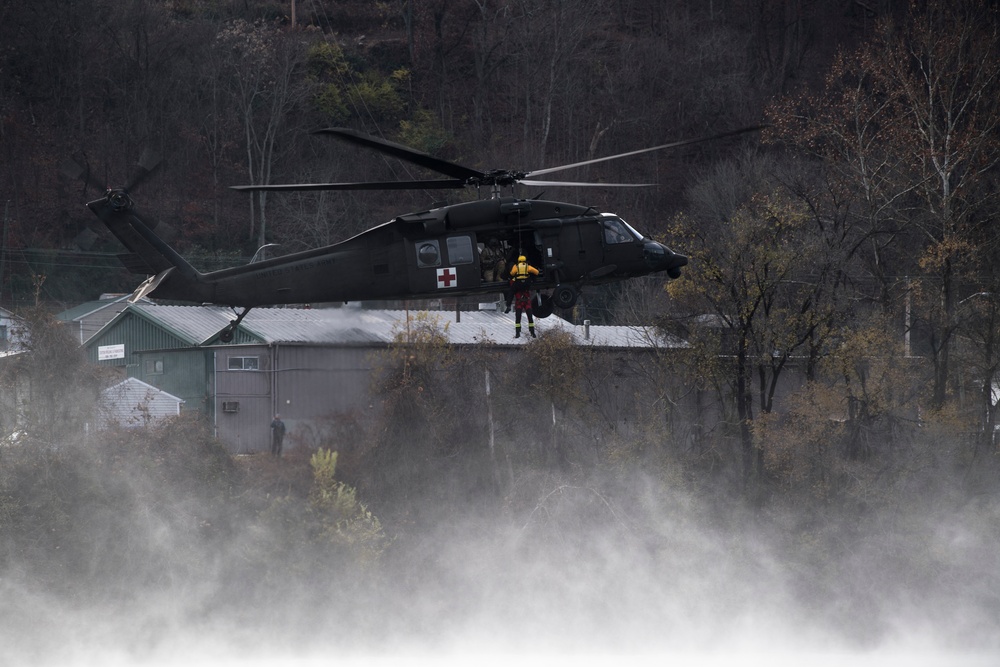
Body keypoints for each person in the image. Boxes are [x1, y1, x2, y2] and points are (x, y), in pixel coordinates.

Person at [506, 255, 539, 338]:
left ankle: (518, 333)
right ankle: (532, 333)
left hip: (519, 302)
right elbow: (536, 272)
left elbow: (512, 273)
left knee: (518, 318)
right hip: (527, 300)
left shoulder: (516, 266)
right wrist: (532, 280)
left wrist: (513, 278)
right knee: (530, 318)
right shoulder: (528, 266)